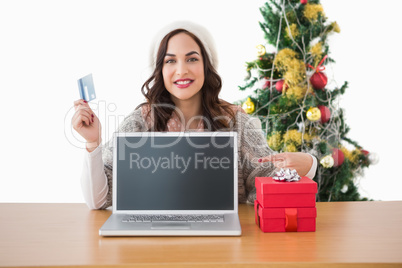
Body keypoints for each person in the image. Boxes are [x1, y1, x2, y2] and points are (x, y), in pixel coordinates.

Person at [72, 21, 317, 210]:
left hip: (223, 245)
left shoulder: (237, 121)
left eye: (192, 58)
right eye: (170, 61)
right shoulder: (140, 121)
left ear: (207, 65)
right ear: (160, 70)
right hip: (151, 243)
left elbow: (266, 181)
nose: (182, 70)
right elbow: (98, 201)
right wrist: (92, 142)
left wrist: (310, 165)